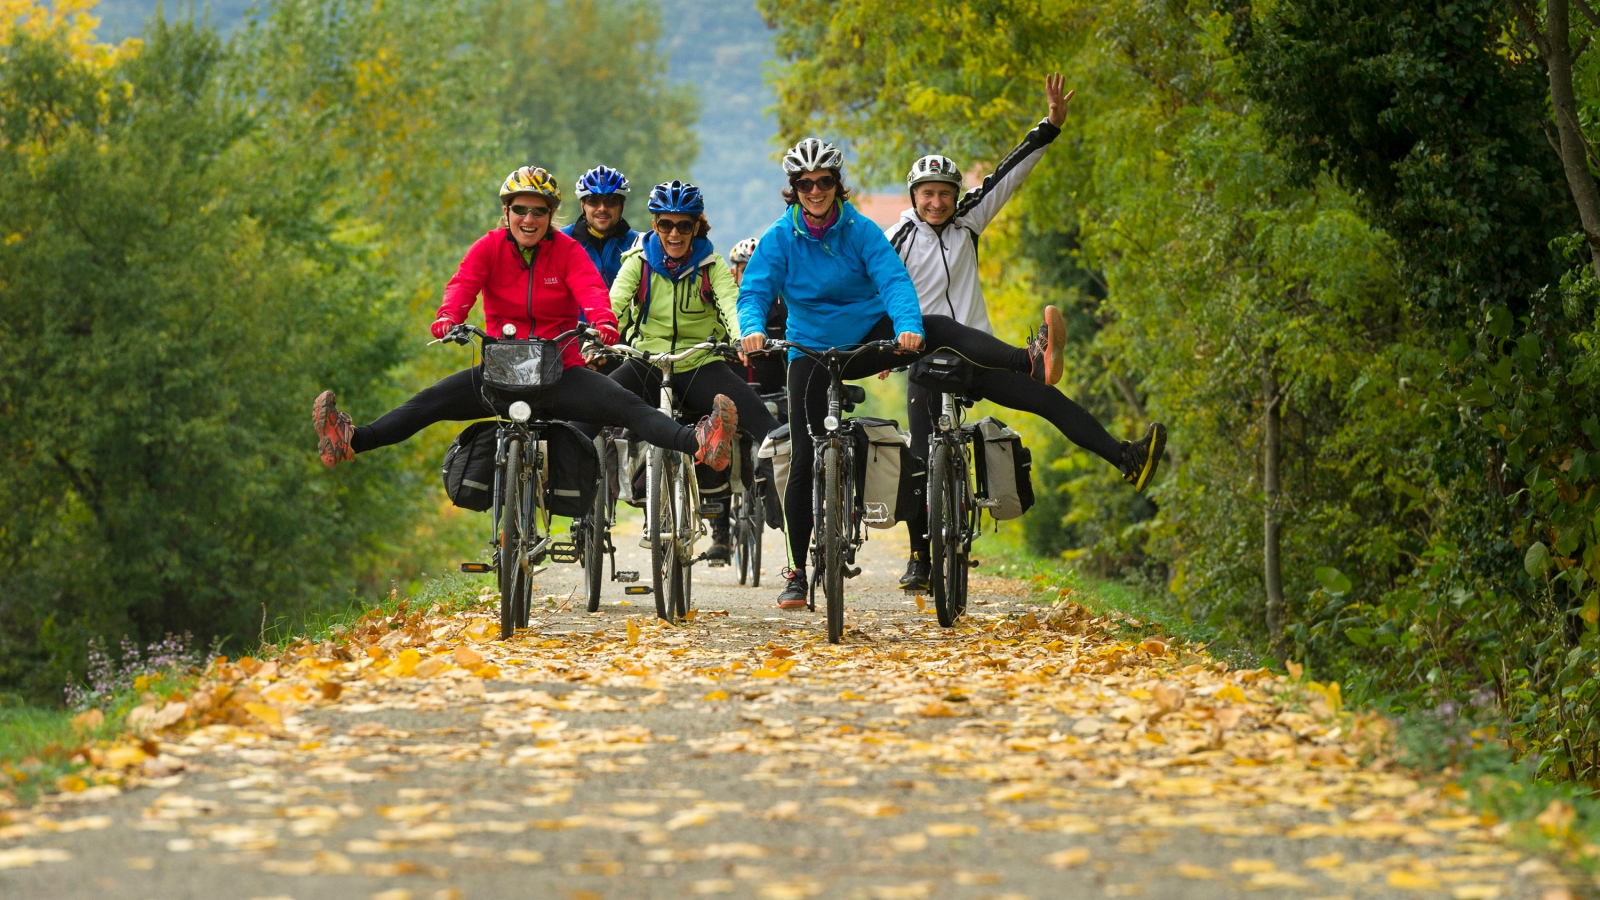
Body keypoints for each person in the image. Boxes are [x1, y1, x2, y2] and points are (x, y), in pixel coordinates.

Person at [738, 138, 1067, 610]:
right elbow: (754, 293)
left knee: (938, 326)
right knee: (806, 455)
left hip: (866, 341)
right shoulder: (778, 239)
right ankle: (795, 571)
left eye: (824, 182)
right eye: (805, 184)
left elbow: (893, 280)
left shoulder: (861, 231)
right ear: (794, 189)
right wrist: (751, 329)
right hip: (807, 350)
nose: (815, 191)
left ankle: (1028, 359)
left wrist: (909, 328)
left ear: (837, 185)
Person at [885, 73, 1167, 591]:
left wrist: (1051, 125)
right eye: (927, 194)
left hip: (978, 355)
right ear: (914, 196)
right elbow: (872, 285)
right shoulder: (897, 236)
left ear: (955, 195)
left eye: (944, 194)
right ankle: (919, 559)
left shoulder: (970, 218)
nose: (937, 203)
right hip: (925, 360)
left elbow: (1008, 173)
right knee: (921, 453)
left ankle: (1126, 459)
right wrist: (878, 344)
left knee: (1048, 400)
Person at [311, 166, 739, 478]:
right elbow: (463, 284)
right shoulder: (489, 247)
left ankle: (700, 442)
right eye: (520, 210)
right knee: (428, 403)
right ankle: (350, 438)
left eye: (539, 211)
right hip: (503, 368)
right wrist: (448, 318)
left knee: (630, 408)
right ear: (507, 210)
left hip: (561, 371)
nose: (529, 219)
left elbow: (591, 290)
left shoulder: (568, 250)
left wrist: (604, 323)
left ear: (552, 214)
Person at [608, 181, 780, 563]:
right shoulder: (636, 262)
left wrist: (744, 336)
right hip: (645, 363)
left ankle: (775, 505)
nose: (674, 233)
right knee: (588, 410)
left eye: (683, 226)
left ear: (696, 227)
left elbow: (731, 304)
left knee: (766, 427)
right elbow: (614, 305)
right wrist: (599, 332)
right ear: (654, 225)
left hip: (700, 364)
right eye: (666, 224)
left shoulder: (712, 265)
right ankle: (587, 504)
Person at [562, 165, 642, 287]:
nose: (602, 208)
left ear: (622, 206)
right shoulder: (563, 240)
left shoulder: (638, 244)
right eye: (593, 200)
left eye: (612, 201)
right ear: (582, 205)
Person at [729, 237, 788, 402]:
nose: (753, 276)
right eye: (746, 270)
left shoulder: (782, 306)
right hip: (731, 397)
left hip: (777, 397)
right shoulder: (723, 306)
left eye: (760, 270)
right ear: (733, 273)